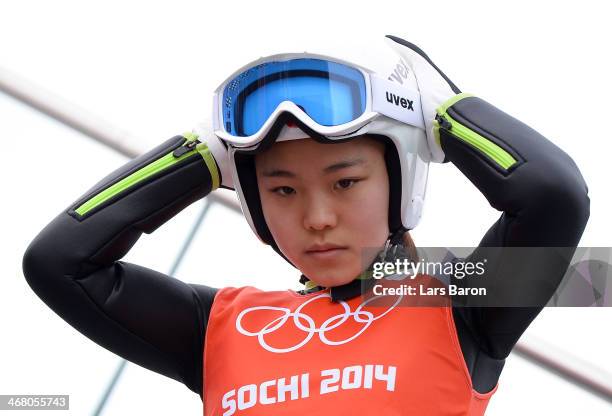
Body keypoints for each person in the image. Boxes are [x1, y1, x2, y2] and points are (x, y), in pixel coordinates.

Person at [22, 35, 590, 415]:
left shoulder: (462, 302)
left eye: (345, 183)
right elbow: (59, 262)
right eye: (282, 190)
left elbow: (552, 195)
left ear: (401, 184)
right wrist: (199, 155)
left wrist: (439, 112)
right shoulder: (217, 327)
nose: (317, 219)